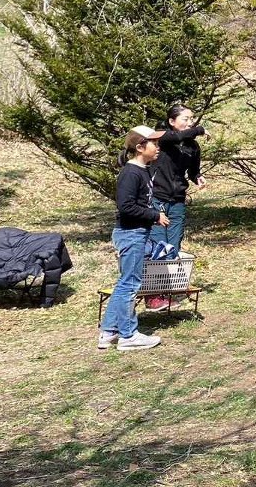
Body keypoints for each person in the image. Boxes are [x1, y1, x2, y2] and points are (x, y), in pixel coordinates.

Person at [98, 126, 169, 351]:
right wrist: (154, 215)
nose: (157, 147)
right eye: (153, 143)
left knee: (125, 283)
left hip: (137, 233)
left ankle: (109, 331)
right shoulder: (130, 173)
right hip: (131, 234)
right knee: (130, 284)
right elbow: (126, 206)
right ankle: (128, 336)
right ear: (140, 147)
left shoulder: (143, 170)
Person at [147, 104, 207, 255]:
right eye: (185, 119)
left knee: (173, 246)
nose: (190, 123)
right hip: (157, 198)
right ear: (172, 121)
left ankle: (172, 270)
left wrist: (198, 177)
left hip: (177, 200)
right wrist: (199, 130)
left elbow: (193, 171)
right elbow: (178, 137)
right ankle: (158, 271)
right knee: (159, 245)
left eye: (192, 119)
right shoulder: (162, 138)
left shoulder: (193, 146)